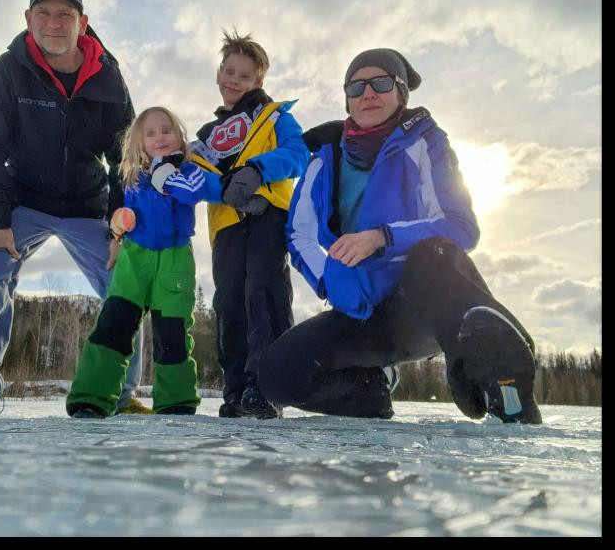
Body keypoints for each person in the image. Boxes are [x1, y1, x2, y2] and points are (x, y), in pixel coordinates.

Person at [257, 48, 542, 424]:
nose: (368, 94)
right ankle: (368, 394)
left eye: (381, 83)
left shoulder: (425, 142)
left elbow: (460, 225)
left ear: (401, 93)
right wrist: (330, 281)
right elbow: (299, 235)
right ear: (346, 98)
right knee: (278, 374)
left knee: (435, 252)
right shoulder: (325, 158)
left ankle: (497, 378)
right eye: (356, 87)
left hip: (427, 301)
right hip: (362, 308)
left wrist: (382, 236)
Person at [0, 0, 149, 417]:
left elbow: (125, 157)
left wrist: (120, 221)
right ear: (28, 18)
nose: (53, 24)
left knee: (128, 279)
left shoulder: (107, 79)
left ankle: (119, 390)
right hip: (23, 201)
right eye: (44, 13)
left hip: (87, 205)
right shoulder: (8, 70)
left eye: (65, 15)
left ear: (82, 22)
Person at [189, 31, 309, 419]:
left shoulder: (275, 116)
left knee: (264, 290)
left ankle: (267, 387)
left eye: (244, 76)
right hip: (226, 225)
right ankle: (236, 390)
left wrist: (258, 171)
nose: (234, 81)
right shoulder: (206, 136)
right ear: (219, 73)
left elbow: (298, 155)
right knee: (229, 302)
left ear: (258, 82)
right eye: (229, 72)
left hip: (267, 213)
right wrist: (223, 189)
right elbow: (196, 179)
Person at [67, 107, 215, 418]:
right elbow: (120, 214)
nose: (159, 137)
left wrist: (168, 168)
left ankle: (175, 404)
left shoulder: (188, 170)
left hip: (175, 260)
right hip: (135, 259)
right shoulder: (130, 177)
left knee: (172, 334)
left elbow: (192, 195)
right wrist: (118, 224)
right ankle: (91, 399)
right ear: (139, 142)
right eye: (150, 133)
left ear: (179, 136)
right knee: (114, 324)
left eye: (166, 130)